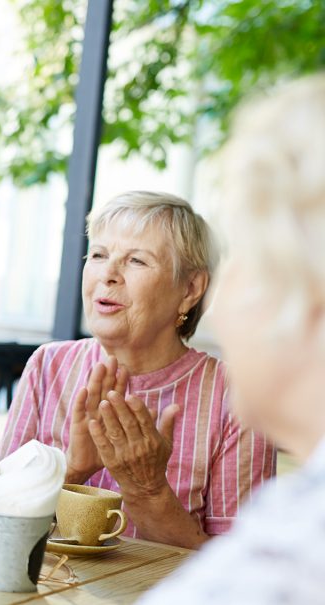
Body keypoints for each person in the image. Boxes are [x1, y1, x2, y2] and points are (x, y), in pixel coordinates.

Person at [0, 190, 275, 549]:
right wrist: (73, 470)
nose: (108, 274)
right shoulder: (49, 365)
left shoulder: (238, 395)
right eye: (98, 254)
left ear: (191, 288)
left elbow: (242, 567)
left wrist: (148, 489)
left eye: (137, 261)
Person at [139, 75, 325, 603]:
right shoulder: (293, 514)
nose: (226, 291)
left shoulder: (286, 559)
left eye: (245, 252)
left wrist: (149, 490)